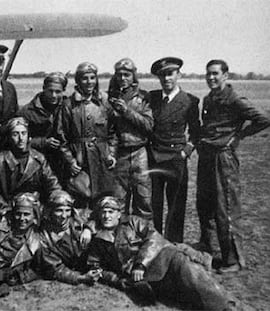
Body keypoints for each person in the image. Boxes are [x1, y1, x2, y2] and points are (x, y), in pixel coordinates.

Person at [87, 196, 242, 311]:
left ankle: (228, 306)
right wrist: (118, 280)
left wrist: (141, 264)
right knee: (186, 296)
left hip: (163, 259)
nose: (107, 216)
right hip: (145, 281)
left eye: (111, 212)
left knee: (189, 271)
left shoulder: (133, 222)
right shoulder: (98, 240)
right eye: (104, 212)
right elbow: (96, 268)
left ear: (119, 214)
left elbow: (154, 238)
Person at [196, 59, 270, 273]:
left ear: (225, 75)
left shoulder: (234, 98)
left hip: (224, 158)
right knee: (205, 204)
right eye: (208, 74)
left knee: (226, 207)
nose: (211, 77)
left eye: (215, 74)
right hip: (207, 156)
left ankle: (234, 260)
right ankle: (207, 247)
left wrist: (239, 136)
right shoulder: (209, 99)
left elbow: (263, 119)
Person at [146, 57, 200, 242]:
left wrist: (186, 151)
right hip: (154, 157)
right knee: (154, 204)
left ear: (178, 75)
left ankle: (174, 244)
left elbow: (195, 132)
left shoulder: (190, 101)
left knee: (176, 204)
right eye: (162, 75)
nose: (166, 79)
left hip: (176, 158)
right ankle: (154, 243)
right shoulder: (151, 98)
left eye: (170, 74)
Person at [55, 62, 117, 209]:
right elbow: (61, 137)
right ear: (77, 81)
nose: (89, 82)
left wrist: (112, 154)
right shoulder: (69, 105)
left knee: (103, 202)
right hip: (79, 160)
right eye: (84, 78)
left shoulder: (104, 102)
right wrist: (70, 161)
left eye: (92, 78)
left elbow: (113, 133)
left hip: (101, 160)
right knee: (80, 199)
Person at [0, 117, 62, 216]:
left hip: (34, 210)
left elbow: (52, 184)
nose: (21, 138)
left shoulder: (39, 159)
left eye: (23, 133)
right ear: (9, 137)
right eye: (15, 134)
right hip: (8, 211)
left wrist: (58, 200)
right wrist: (5, 208)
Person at [108, 58, 153, 218]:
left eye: (127, 74)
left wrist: (126, 111)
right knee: (118, 200)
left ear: (134, 76)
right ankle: (120, 238)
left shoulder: (143, 97)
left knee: (143, 199)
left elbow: (148, 126)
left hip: (140, 152)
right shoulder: (111, 98)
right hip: (120, 154)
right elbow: (111, 130)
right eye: (119, 75)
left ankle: (144, 238)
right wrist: (111, 153)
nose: (123, 78)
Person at [39, 190, 101, 285]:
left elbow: (102, 216)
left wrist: (88, 228)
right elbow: (56, 269)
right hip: (71, 273)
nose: (64, 216)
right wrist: (81, 277)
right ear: (50, 211)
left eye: (67, 210)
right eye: (59, 210)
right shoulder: (44, 237)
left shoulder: (79, 220)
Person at [17, 72, 68, 177]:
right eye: (50, 91)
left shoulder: (67, 107)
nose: (53, 95)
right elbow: (16, 141)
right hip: (37, 163)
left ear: (63, 91)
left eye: (58, 92)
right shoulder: (27, 112)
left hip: (65, 161)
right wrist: (43, 142)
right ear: (43, 88)